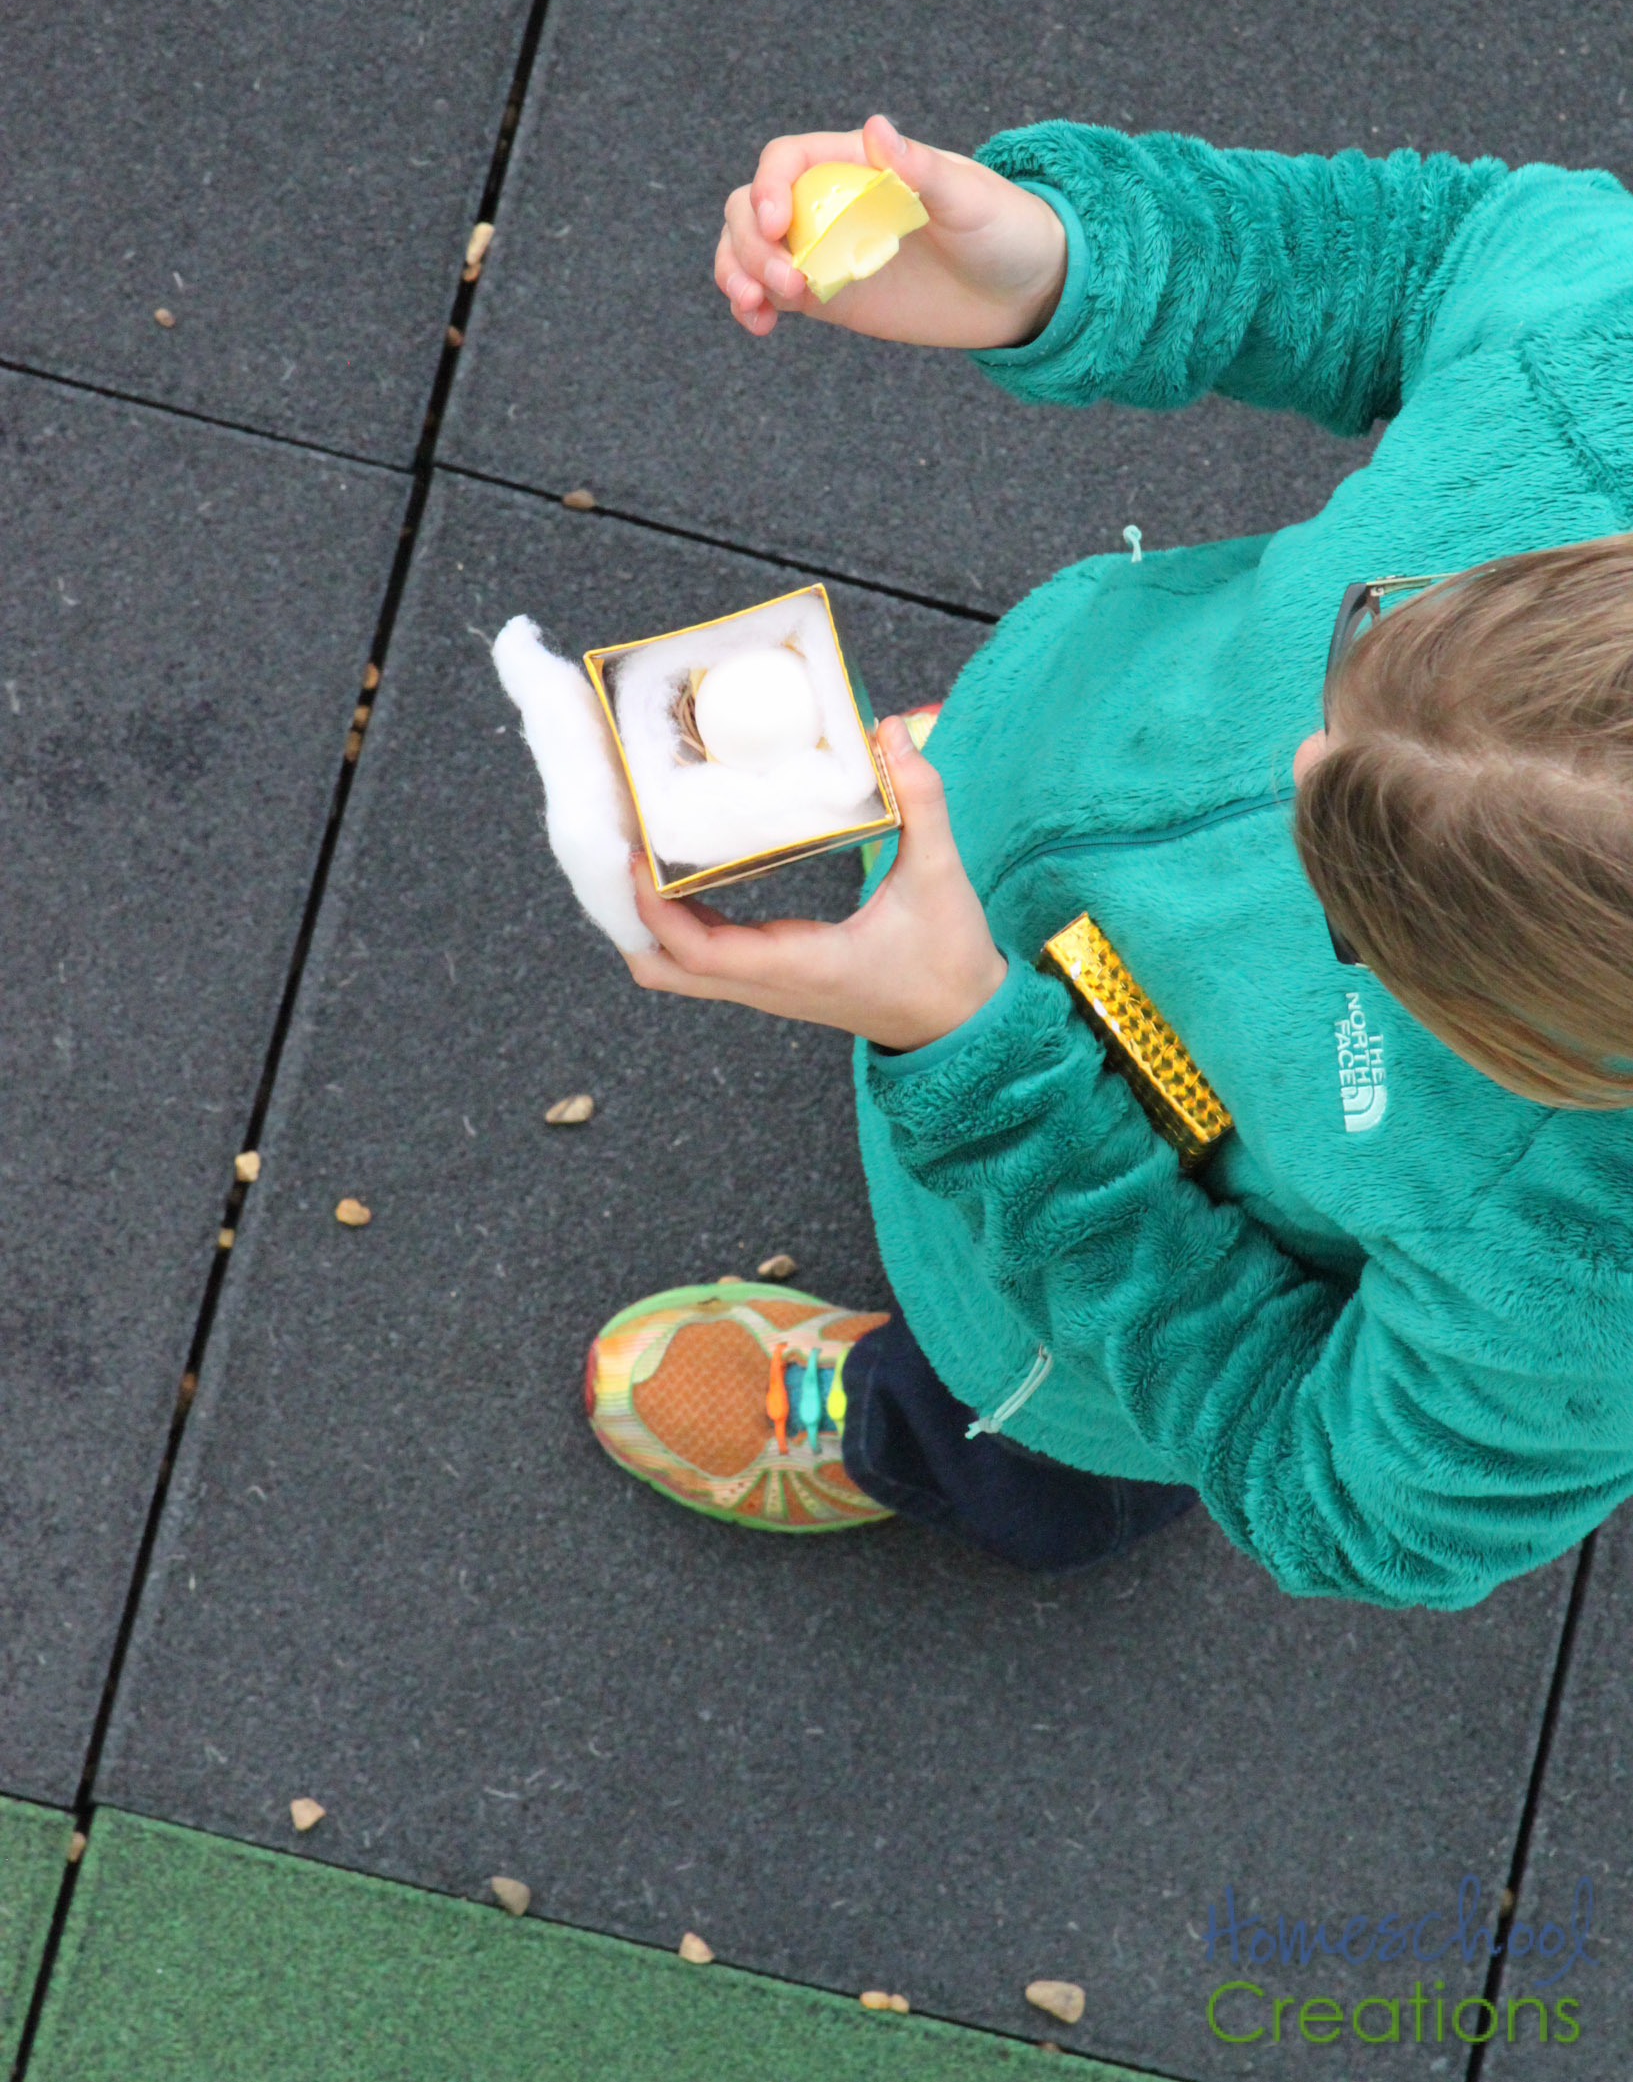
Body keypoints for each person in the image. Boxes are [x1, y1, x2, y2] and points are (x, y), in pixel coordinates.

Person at [583, 112, 1633, 1606]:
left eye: (1350, 899)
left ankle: (912, 1433)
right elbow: (1439, 252)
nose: (1292, 767)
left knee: (1021, 1454)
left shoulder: (1590, 1280)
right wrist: (1072, 264)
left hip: (1047, 1314)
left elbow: (1333, 1491)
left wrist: (969, 1053)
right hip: (1042, 782)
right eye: (1373, 639)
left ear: (1534, 1043)